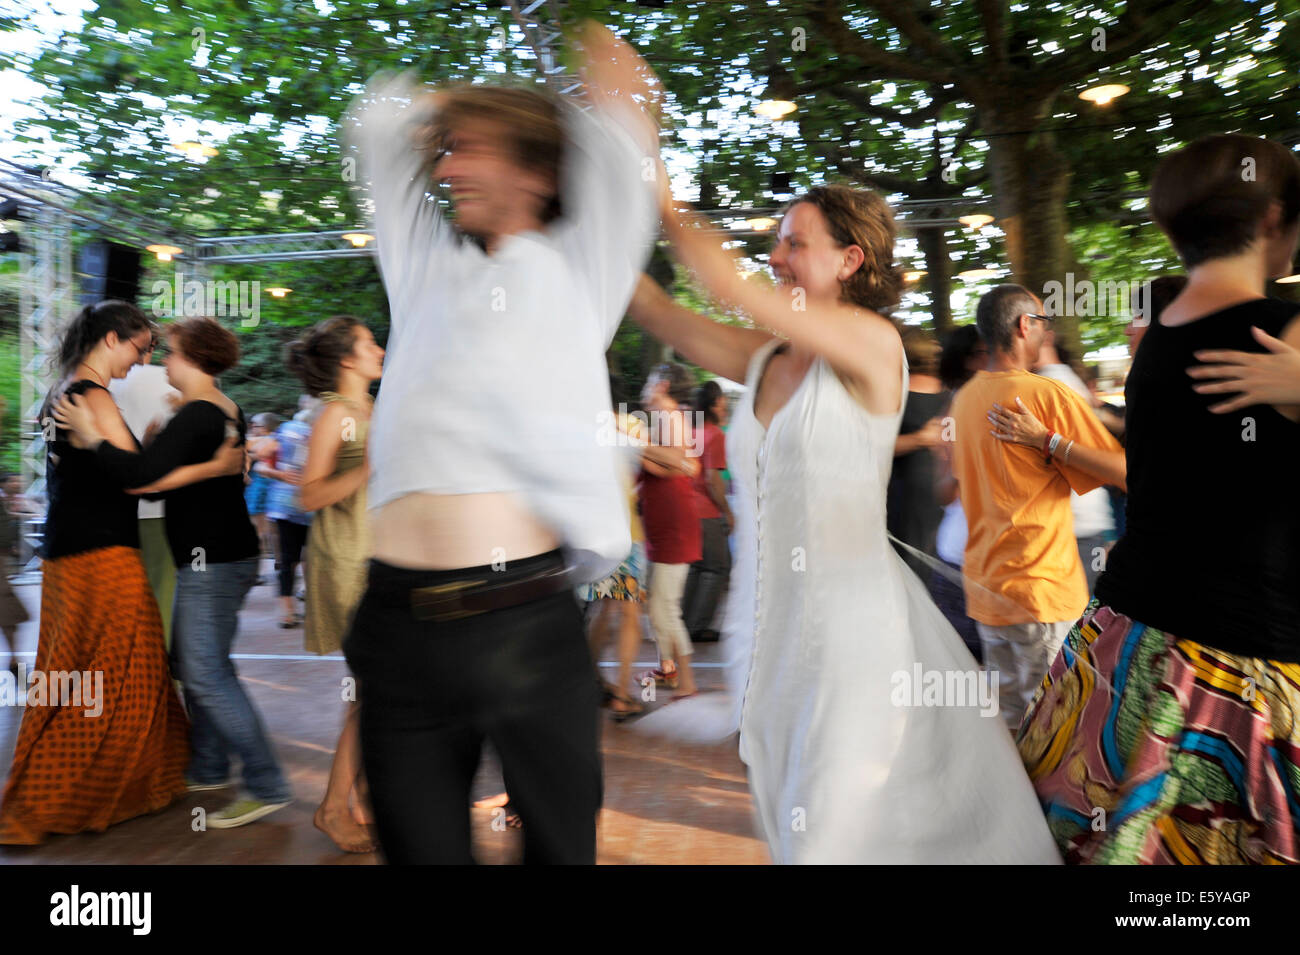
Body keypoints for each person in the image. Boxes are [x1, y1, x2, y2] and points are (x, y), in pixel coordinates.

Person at [626, 182, 1060, 863]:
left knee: (830, 828)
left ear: (851, 259)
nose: (775, 255)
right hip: (771, 637)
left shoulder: (872, 343)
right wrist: (589, 195)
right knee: (799, 818)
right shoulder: (765, 356)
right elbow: (651, 307)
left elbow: (723, 283)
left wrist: (656, 181)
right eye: (776, 242)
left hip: (855, 635)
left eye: (794, 243)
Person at [339, 22, 661, 864]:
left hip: (521, 622)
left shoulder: (578, 268)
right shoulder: (425, 272)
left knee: (559, 853)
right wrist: (451, 108)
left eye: (468, 151)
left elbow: (625, 121)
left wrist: (577, 59)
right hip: (395, 624)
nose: (445, 169)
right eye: (444, 152)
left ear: (537, 172)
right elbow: (377, 125)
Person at [1017, 134, 1300, 865]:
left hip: (1125, 645)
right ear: (1273, 218)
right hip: (1238, 665)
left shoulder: (1163, 337)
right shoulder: (1284, 333)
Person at [1, 302, 238, 845]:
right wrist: (205, 464)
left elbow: (98, 472)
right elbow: (138, 483)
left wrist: (144, 446)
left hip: (68, 554)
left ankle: (84, 787)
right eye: (141, 347)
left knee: (75, 675)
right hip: (102, 554)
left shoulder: (62, 390)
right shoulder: (94, 397)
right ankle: (63, 795)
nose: (146, 358)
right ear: (112, 339)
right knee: (119, 673)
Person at [54, 316, 292, 829]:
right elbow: (163, 479)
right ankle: (207, 766)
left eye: (171, 352)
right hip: (222, 555)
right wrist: (172, 451)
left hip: (216, 558)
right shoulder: (217, 408)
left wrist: (93, 438)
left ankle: (266, 783)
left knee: (204, 672)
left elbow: (142, 483)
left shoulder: (200, 413)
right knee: (193, 664)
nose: (161, 360)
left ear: (194, 358)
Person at [955, 285, 1126, 731]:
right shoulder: (1046, 395)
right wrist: (1050, 441)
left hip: (988, 590)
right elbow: (1124, 470)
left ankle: (1010, 803)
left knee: (1013, 726)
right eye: (1043, 321)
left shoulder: (965, 397)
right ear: (1023, 326)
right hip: (1040, 588)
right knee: (1056, 730)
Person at [287, 316, 384, 854]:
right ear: (347, 359)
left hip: (380, 555)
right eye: (369, 343)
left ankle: (364, 793)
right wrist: (370, 468)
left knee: (381, 685)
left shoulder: (372, 409)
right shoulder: (337, 414)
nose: (380, 348)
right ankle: (332, 806)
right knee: (372, 689)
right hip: (347, 559)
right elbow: (309, 495)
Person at [637, 363, 703, 698]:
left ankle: (687, 682)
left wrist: (633, 444)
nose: (645, 389)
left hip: (674, 527)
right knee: (660, 606)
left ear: (661, 385)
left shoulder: (669, 417)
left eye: (649, 382)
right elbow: (670, 465)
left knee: (665, 608)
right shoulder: (665, 420)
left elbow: (677, 461)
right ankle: (669, 670)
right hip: (665, 527)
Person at [1032, 332, 1116, 591]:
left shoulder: (1052, 384)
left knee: (1075, 626)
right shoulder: (1060, 379)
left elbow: (1107, 464)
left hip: (1077, 529)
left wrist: (1044, 440)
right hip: (1080, 526)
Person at [108, 352, 181, 648]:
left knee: (119, 597)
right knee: (163, 592)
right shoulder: (170, 382)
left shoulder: (101, 384)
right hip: (164, 506)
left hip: (115, 509)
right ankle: (158, 669)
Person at [928, 326, 984, 662]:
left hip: (994, 564)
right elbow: (944, 494)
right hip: (962, 563)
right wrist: (958, 467)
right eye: (983, 352)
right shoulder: (953, 412)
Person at [887, 325, 949, 581]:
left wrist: (916, 439)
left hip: (904, 496)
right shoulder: (953, 395)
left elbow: (874, 446)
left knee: (907, 571)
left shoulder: (894, 391)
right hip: (944, 489)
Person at [683, 378, 733, 643]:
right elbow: (713, 479)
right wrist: (727, 510)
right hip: (707, 512)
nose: (725, 405)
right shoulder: (715, 434)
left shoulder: (692, 432)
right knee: (716, 567)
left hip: (687, 508)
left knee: (695, 567)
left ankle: (684, 623)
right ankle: (697, 626)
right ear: (714, 404)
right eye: (723, 400)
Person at [259, 399, 315, 628]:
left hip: (286, 506)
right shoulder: (320, 434)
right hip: (311, 505)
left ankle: (288, 612)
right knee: (305, 559)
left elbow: (261, 462)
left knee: (288, 560)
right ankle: (300, 609)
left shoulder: (283, 433)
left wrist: (280, 474)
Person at [244, 411, 280, 569]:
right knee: (271, 530)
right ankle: (278, 562)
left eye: (256, 425)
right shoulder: (276, 438)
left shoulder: (266, 440)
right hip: (268, 487)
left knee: (258, 530)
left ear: (265, 427)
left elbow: (254, 452)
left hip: (260, 487)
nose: (252, 427)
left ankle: (257, 570)